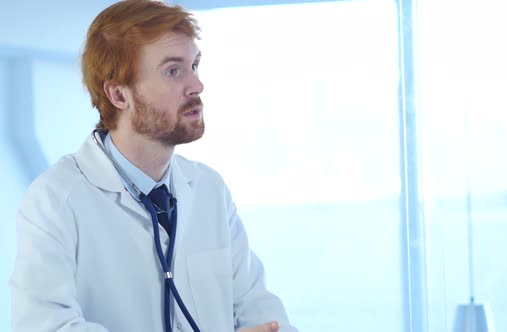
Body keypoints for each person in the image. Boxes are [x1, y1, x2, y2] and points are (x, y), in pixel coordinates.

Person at [10, 1, 298, 331]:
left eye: (195, 66)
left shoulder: (209, 189)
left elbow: (257, 306)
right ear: (119, 95)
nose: (197, 86)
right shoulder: (55, 200)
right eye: (173, 71)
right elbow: (47, 326)